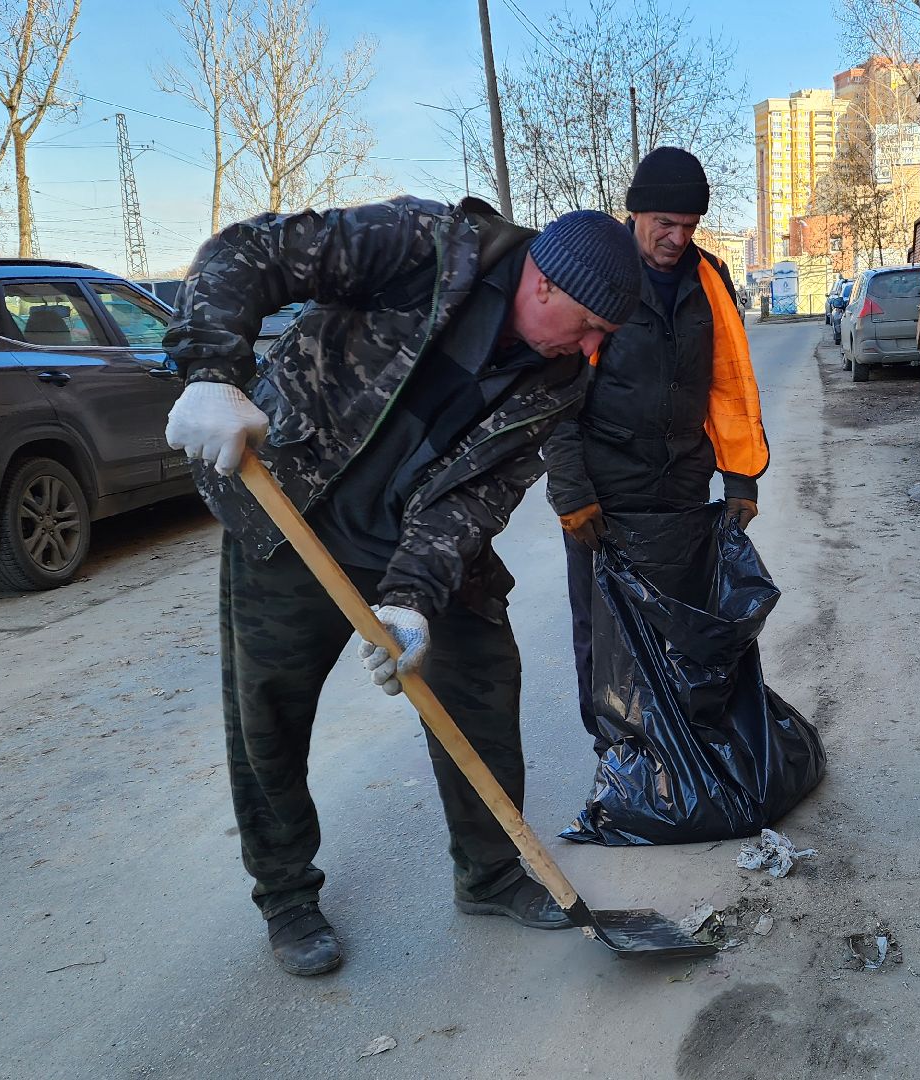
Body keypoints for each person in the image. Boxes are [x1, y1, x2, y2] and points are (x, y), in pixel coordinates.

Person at [162, 197, 641, 977]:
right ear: (544, 286)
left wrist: (412, 597)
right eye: (588, 327)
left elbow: (476, 498)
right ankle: (286, 894)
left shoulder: (556, 382)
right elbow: (247, 252)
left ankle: (490, 873)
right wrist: (214, 371)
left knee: (482, 682)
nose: (590, 350)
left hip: (414, 537)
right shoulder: (426, 248)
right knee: (268, 707)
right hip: (295, 511)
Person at [542, 148, 769, 749]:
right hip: (605, 489)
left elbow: (728, 385)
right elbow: (556, 394)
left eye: (688, 226)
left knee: (681, 618)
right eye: (663, 224)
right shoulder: (600, 273)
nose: (676, 238)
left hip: (683, 482)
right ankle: (617, 750)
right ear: (634, 212)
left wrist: (740, 480)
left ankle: (677, 741)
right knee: (604, 619)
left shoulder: (709, 282)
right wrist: (571, 491)